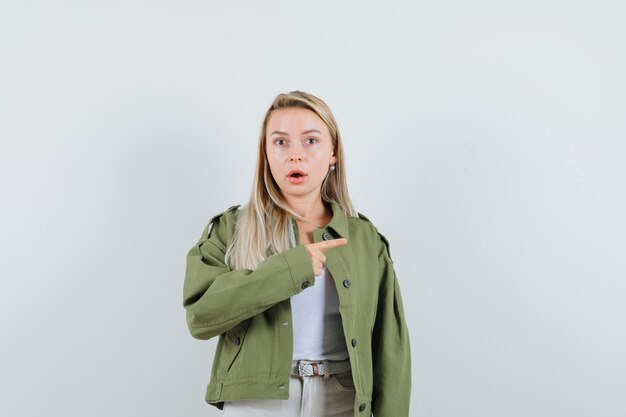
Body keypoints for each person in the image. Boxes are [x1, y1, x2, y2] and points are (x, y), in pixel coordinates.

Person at [183, 91, 411, 417]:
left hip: (342, 400)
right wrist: (292, 268)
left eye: (310, 141)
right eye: (280, 142)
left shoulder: (364, 240)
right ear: (265, 153)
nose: (295, 155)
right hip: (257, 402)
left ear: (333, 153)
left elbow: (391, 348)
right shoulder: (230, 229)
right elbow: (200, 316)